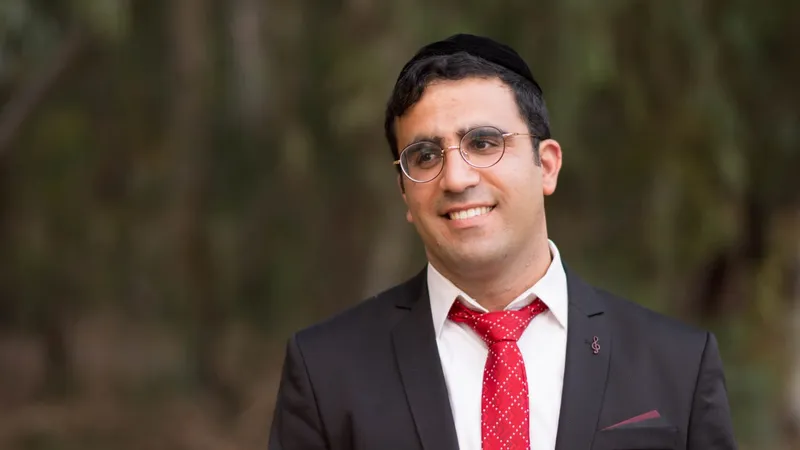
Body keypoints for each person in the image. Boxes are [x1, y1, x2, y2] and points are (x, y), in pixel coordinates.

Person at [268, 34, 737, 450]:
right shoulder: (326, 372)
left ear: (546, 166)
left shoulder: (678, 365)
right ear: (405, 193)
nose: (456, 178)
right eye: (426, 156)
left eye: (483, 143)